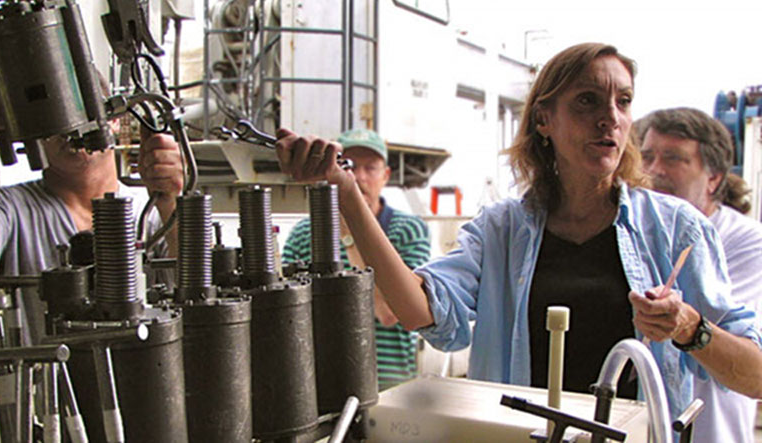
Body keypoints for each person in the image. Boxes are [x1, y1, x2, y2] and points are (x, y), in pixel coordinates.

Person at [274, 42, 762, 421]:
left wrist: (688, 328)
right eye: (588, 100)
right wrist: (346, 191)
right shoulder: (501, 229)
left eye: (623, 101)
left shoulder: (676, 230)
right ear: (544, 119)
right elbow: (420, 310)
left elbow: (755, 375)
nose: (609, 116)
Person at [0, 61, 183, 342]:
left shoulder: (153, 214)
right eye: (56, 116)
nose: (73, 128)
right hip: (42, 385)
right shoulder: (10, 210)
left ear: (114, 119)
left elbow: (198, 288)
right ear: (36, 133)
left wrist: (173, 201)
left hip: (145, 381)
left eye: (83, 109)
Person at [638, 107, 762, 443]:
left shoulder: (747, 241)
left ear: (714, 178)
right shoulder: (634, 232)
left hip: (710, 431)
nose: (653, 170)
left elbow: (722, 322)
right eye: (646, 156)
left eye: (673, 158)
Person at [282, 128, 431, 390]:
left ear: (385, 176)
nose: (359, 177)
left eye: (370, 168)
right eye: (349, 166)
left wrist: (349, 231)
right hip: (322, 387)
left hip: (390, 389)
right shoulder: (303, 234)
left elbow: (390, 313)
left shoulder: (408, 229)